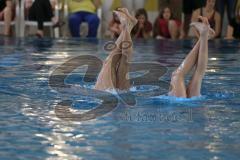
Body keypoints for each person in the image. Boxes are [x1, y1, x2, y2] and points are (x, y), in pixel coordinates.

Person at [169, 16, 215, 98]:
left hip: (195, 105)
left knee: (199, 73)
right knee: (176, 75)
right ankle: (204, 35)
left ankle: (204, 37)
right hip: (180, 105)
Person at [95, 8, 137, 90]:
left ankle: (128, 27)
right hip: (107, 93)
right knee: (112, 62)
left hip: (121, 95)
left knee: (124, 62)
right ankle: (127, 27)